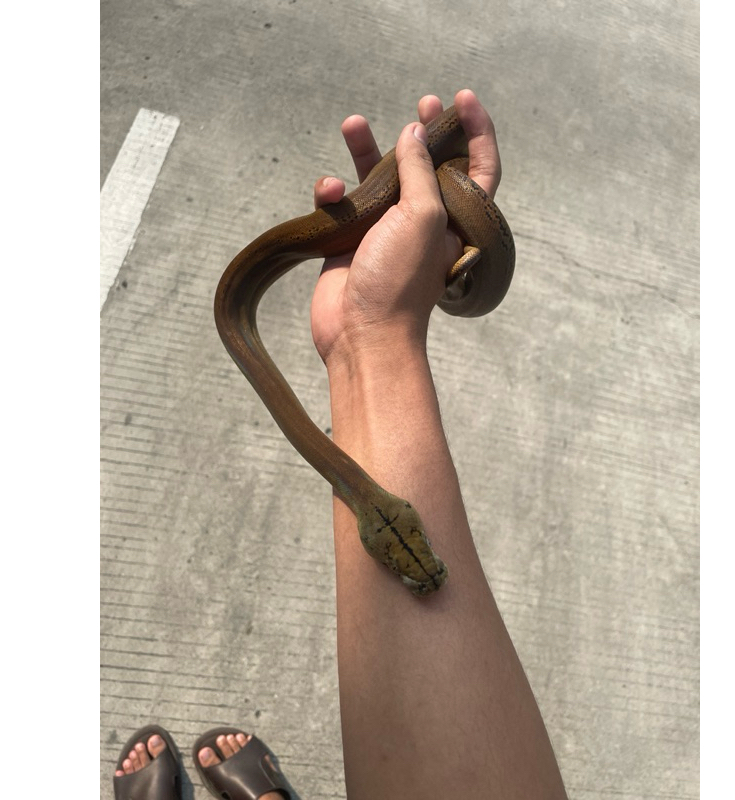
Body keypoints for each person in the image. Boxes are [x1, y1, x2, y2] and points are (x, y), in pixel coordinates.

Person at [112, 90, 568, 800]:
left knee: (384, 183)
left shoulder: (382, 515)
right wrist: (374, 331)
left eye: (410, 565)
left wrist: (372, 329)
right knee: (400, 170)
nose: (422, 568)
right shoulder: (377, 514)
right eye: (420, 557)